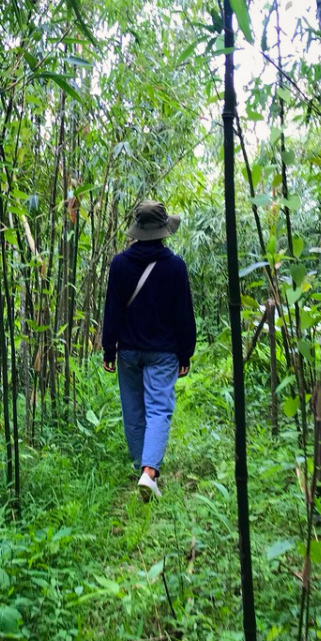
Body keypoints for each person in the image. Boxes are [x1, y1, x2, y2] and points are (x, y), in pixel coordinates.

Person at [102, 200, 197, 501]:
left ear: (138, 231)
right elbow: (184, 314)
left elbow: (112, 311)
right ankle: (149, 472)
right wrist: (186, 352)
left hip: (128, 350)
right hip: (163, 352)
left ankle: (142, 468)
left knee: (133, 411)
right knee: (158, 410)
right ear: (163, 231)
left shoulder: (119, 264)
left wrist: (108, 349)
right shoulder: (175, 266)